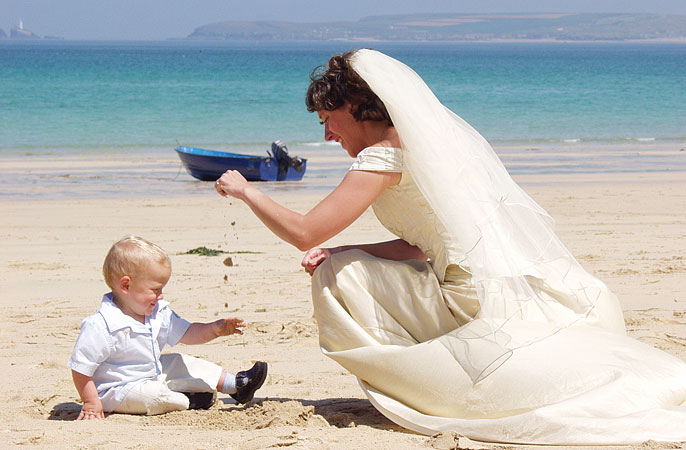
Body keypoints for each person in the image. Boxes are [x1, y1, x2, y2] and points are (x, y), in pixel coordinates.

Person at [215, 49, 686, 444]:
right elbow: (424, 245)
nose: (327, 135)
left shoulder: (383, 156)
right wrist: (346, 249)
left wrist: (247, 190)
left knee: (335, 278)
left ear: (357, 105)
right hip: (483, 283)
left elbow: (305, 232)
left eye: (327, 119)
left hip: (466, 297)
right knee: (342, 262)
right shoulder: (421, 145)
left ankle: (409, 383)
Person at [68, 235, 268, 419]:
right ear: (126, 286)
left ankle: (237, 385)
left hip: (152, 372)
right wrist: (90, 402)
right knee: (154, 397)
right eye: (155, 290)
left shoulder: (158, 312)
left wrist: (215, 329)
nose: (161, 295)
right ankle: (188, 400)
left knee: (182, 362)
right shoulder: (102, 324)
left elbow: (188, 333)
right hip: (119, 390)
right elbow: (81, 368)